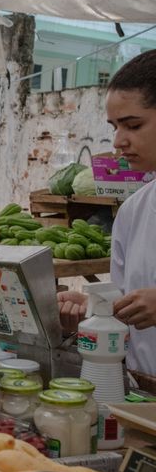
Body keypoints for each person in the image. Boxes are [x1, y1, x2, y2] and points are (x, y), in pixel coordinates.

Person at [57, 50, 156, 377]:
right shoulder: (133, 211)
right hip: (145, 393)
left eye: (133, 125)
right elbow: (127, 306)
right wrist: (93, 309)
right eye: (115, 127)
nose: (118, 141)